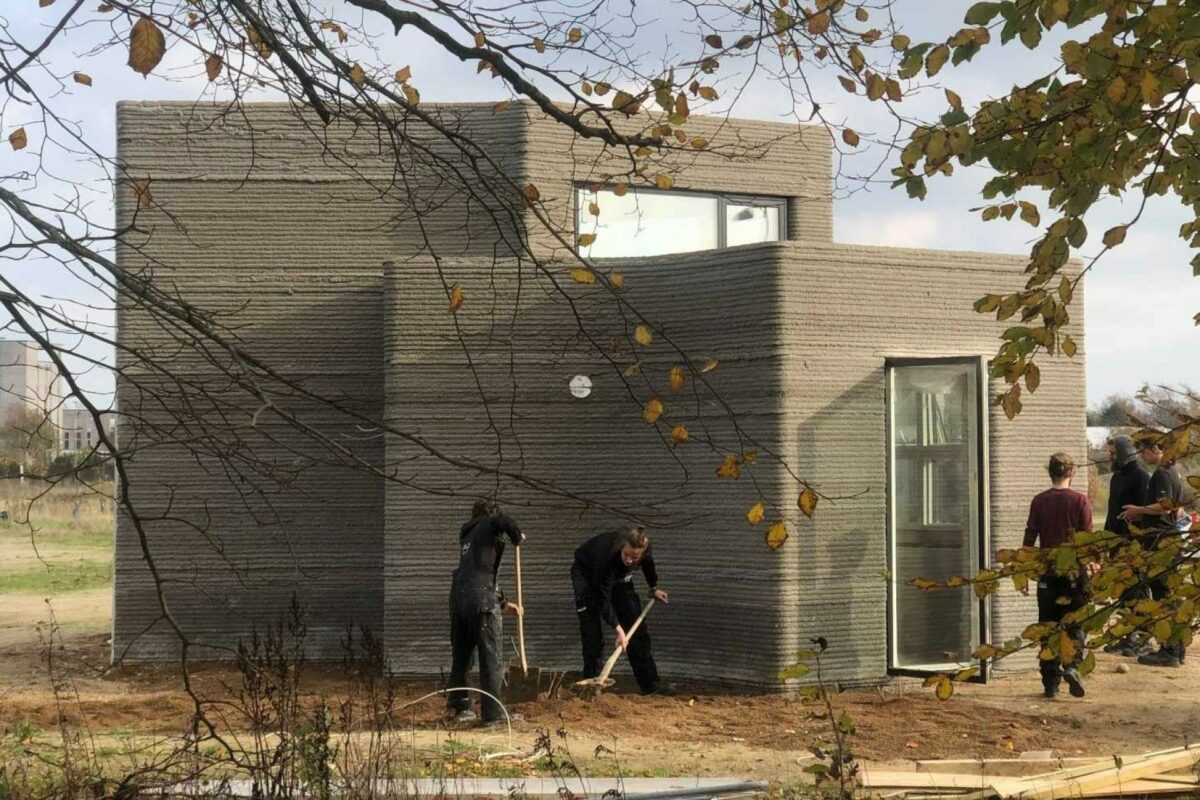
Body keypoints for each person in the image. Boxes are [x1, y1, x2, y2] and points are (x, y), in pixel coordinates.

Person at [447, 499, 524, 724]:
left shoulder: (467, 536)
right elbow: (503, 522)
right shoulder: (489, 524)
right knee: (490, 655)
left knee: (462, 656)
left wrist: (504, 602)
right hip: (480, 601)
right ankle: (493, 713)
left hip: (459, 599)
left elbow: (478, 573)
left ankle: (459, 707)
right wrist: (516, 535)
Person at [571, 525, 673, 695]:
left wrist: (653, 587)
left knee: (637, 631)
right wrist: (618, 629)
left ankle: (651, 686)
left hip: (619, 579)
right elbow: (603, 600)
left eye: (634, 558)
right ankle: (591, 689)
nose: (630, 561)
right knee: (592, 633)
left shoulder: (644, 551)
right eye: (626, 555)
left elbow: (648, 564)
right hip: (587, 575)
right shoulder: (607, 558)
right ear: (622, 546)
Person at [1022, 452, 1092, 699]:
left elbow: (1030, 538)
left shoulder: (1039, 501)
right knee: (1075, 624)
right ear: (1071, 473)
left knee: (1048, 627)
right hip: (1074, 573)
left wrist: (1026, 572)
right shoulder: (1080, 501)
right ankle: (1072, 666)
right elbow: (1087, 540)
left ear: (1049, 472)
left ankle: (1050, 684)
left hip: (1048, 574)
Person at [1121, 439, 1187, 667]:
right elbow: (1177, 508)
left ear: (1154, 449)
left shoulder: (1161, 473)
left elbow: (1165, 506)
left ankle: (1169, 651)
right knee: (1170, 595)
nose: (1141, 456)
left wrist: (1138, 510)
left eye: (1143, 451)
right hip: (1170, 539)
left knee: (1162, 596)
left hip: (1160, 542)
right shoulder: (1176, 471)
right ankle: (1177, 649)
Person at [1101, 435, 1152, 656]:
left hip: (1133, 544)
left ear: (1123, 452)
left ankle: (1141, 638)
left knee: (1137, 592)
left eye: (1113, 453)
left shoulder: (1141, 476)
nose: (1110, 456)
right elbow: (1112, 512)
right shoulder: (1117, 477)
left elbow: (1145, 514)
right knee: (1122, 592)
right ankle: (1126, 635)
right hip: (1116, 542)